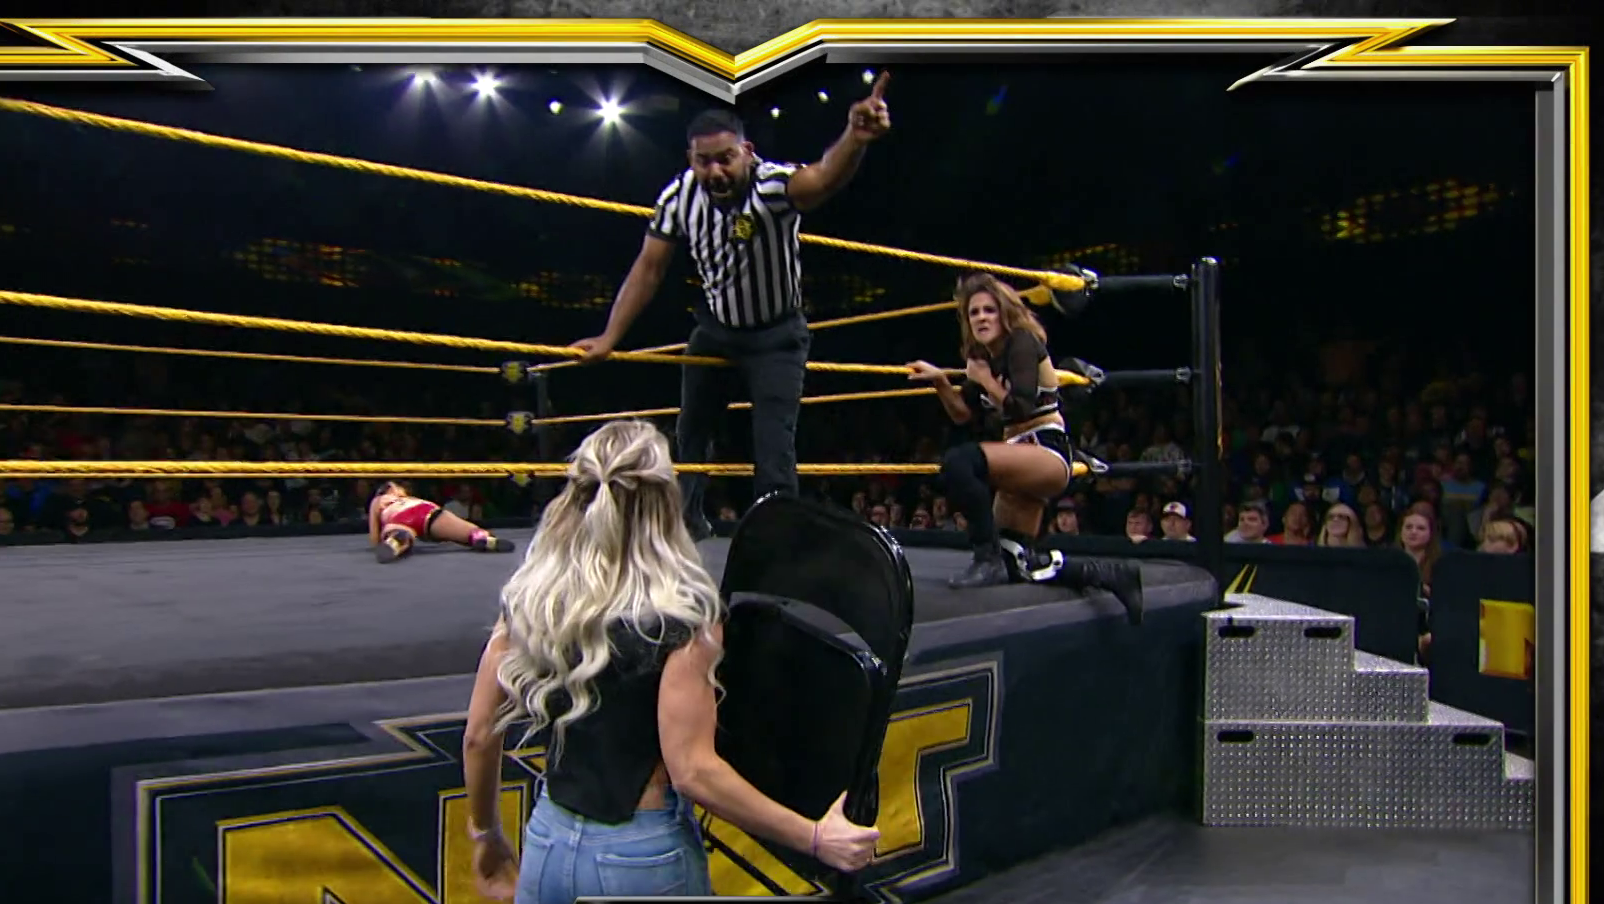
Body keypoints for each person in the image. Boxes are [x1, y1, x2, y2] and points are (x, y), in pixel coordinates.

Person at [459, 421, 881, 904]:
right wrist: (815, 838)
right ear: (665, 502)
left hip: (548, 844)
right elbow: (693, 771)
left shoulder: (533, 598)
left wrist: (487, 834)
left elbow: (478, 736)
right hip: (639, 855)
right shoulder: (683, 615)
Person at [569, 77, 894, 544]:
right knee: (691, 430)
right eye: (704, 161)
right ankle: (685, 523)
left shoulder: (772, 185)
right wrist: (609, 336)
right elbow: (649, 268)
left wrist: (854, 139)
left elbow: (823, 178)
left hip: (777, 334)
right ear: (690, 159)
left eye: (725, 158)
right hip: (716, 329)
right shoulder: (678, 197)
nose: (716, 171)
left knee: (774, 443)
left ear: (747, 151)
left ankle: (777, 539)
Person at [907, 273, 1144, 623]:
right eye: (974, 312)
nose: (981, 317)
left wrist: (984, 379)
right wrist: (941, 382)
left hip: (1046, 451)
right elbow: (963, 415)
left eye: (989, 310)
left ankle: (984, 558)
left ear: (1004, 313)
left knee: (960, 462)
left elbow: (1021, 407)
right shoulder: (982, 357)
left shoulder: (1022, 342)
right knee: (1016, 560)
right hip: (1019, 455)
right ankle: (1110, 574)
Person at [369, 481, 513, 563]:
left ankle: (397, 541)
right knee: (469, 531)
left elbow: (374, 538)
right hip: (426, 512)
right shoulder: (411, 499)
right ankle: (481, 538)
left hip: (397, 517)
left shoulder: (379, 501)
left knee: (400, 533)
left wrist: (382, 536)